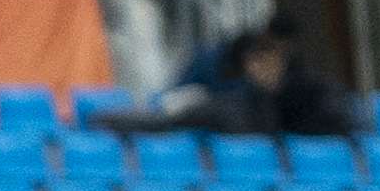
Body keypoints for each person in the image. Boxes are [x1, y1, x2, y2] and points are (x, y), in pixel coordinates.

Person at [97, 24, 358, 141]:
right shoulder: (230, 106)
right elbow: (169, 122)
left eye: (271, 60)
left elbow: (347, 121)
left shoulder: (311, 94)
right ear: (247, 65)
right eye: (257, 61)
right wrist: (106, 120)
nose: (265, 68)